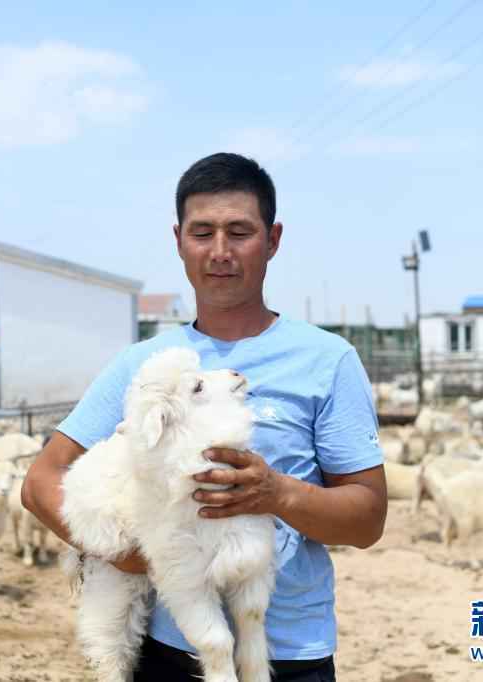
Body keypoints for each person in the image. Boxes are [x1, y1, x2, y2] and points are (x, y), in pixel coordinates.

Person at [22, 152, 387, 681]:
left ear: (273, 239)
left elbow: (368, 519)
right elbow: (40, 482)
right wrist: (126, 552)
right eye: (202, 233)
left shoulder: (326, 361)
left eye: (239, 231)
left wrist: (277, 493)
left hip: (289, 656)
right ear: (179, 241)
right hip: (173, 653)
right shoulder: (147, 368)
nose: (220, 252)